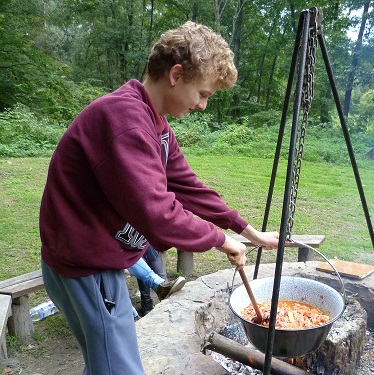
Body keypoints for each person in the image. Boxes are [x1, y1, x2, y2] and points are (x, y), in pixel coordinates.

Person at [39, 20, 280, 375]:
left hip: (96, 262)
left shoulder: (154, 122)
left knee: (105, 363)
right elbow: (159, 215)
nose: (203, 106)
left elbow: (185, 184)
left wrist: (245, 230)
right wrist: (220, 240)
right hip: (88, 270)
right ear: (177, 75)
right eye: (203, 94)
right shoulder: (126, 121)